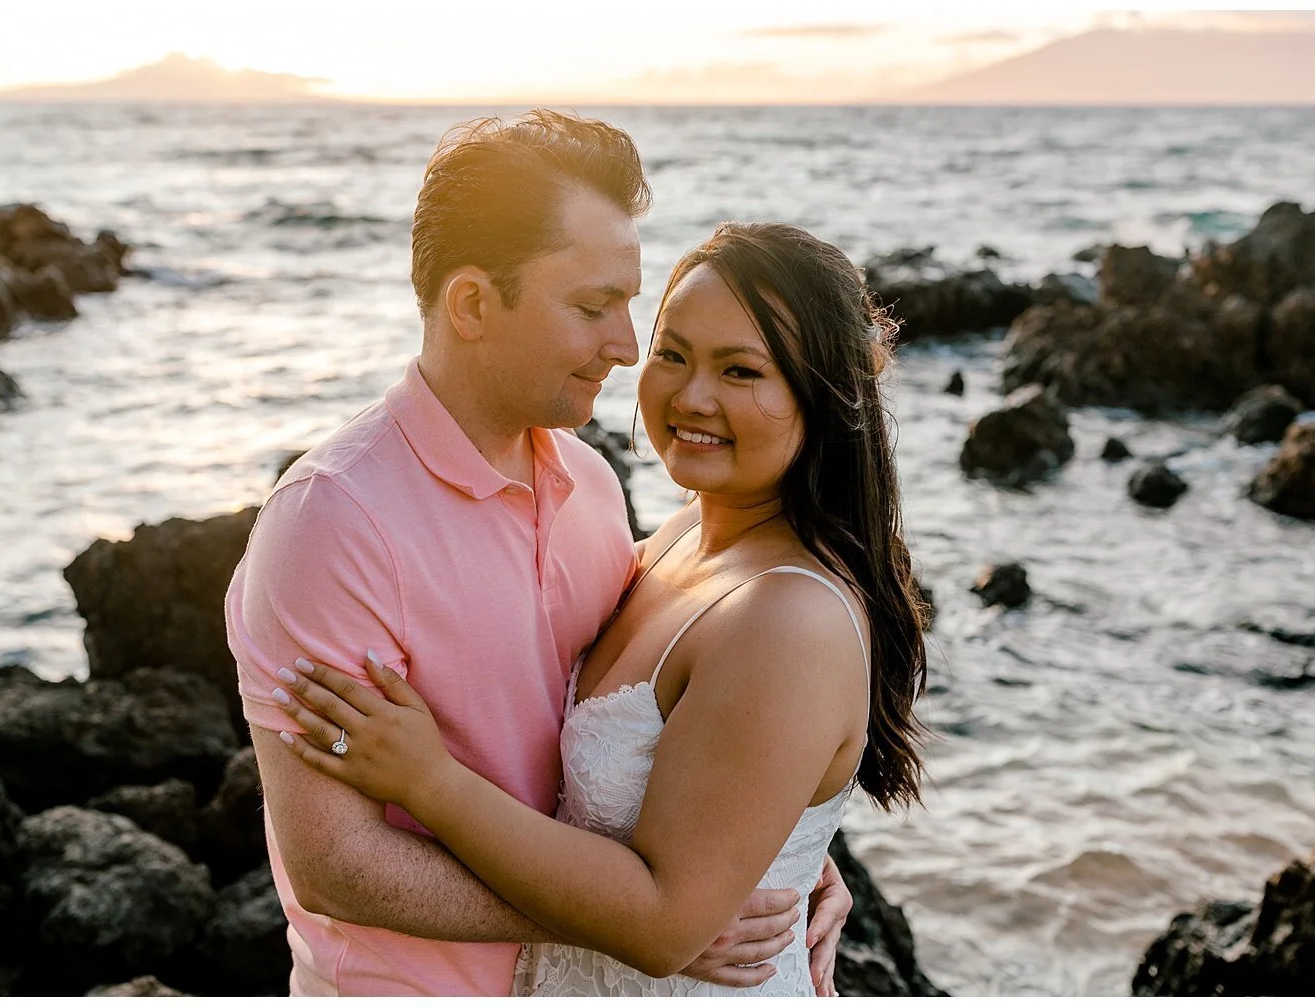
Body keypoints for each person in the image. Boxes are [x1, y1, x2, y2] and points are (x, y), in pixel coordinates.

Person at [226, 111, 854, 997]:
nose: (626, 347)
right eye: (593, 306)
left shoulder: (591, 487)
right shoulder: (334, 521)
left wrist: (775, 843)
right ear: (474, 303)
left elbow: (682, 723)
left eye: (631, 305)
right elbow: (335, 861)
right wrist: (652, 919)